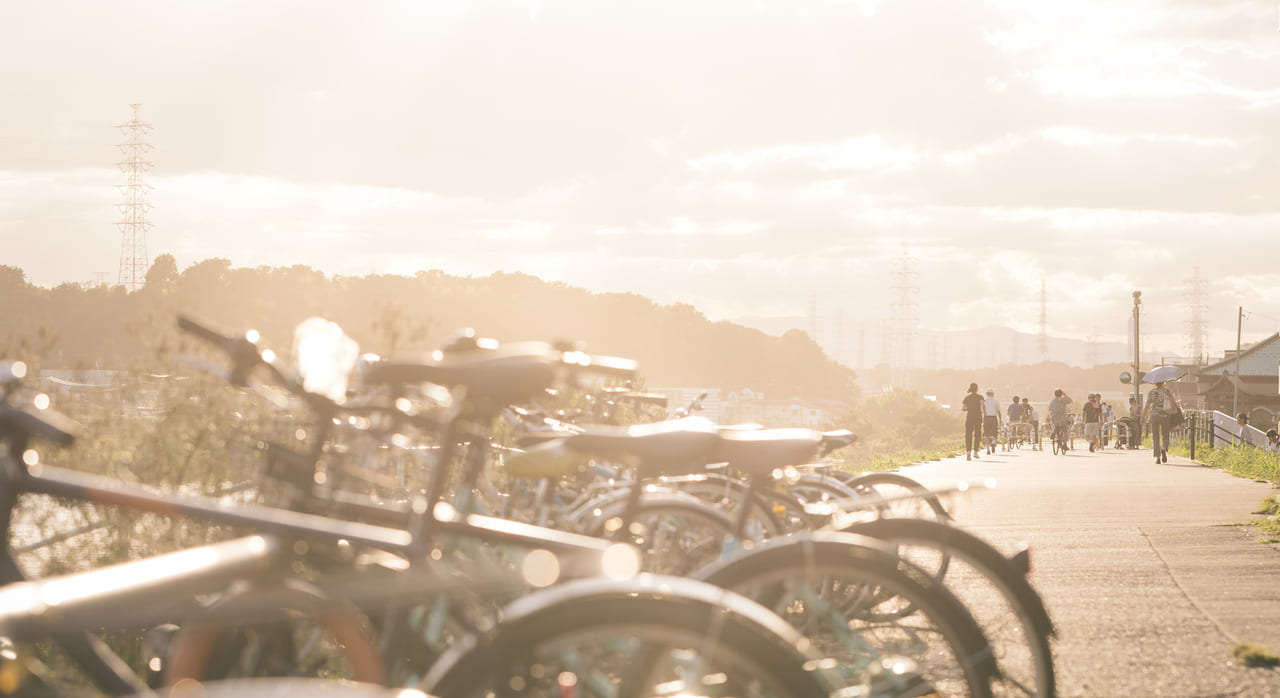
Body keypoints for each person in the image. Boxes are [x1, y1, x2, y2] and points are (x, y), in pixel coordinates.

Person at [1141, 380, 1181, 464]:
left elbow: (1147, 405)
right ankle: (1163, 448)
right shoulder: (1167, 391)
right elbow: (1173, 402)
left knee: (1155, 436)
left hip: (1154, 416)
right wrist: (1175, 411)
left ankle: (1158, 458)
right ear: (1163, 382)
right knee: (1165, 434)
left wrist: (1143, 417)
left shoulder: (1152, 392)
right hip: (1165, 416)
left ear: (1155, 383)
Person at [961, 382, 984, 461]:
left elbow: (963, 409)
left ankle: (968, 453)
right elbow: (983, 407)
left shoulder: (967, 398)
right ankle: (975, 452)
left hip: (970, 417)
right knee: (977, 434)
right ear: (977, 389)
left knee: (968, 435)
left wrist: (969, 409)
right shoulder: (980, 397)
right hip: (978, 417)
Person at [983, 389, 1001, 454]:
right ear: (992, 394)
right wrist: (1000, 420)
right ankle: (993, 442)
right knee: (995, 433)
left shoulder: (984, 401)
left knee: (986, 434)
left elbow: (981, 410)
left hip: (986, 418)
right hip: (993, 418)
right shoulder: (996, 401)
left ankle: (988, 449)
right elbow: (998, 411)